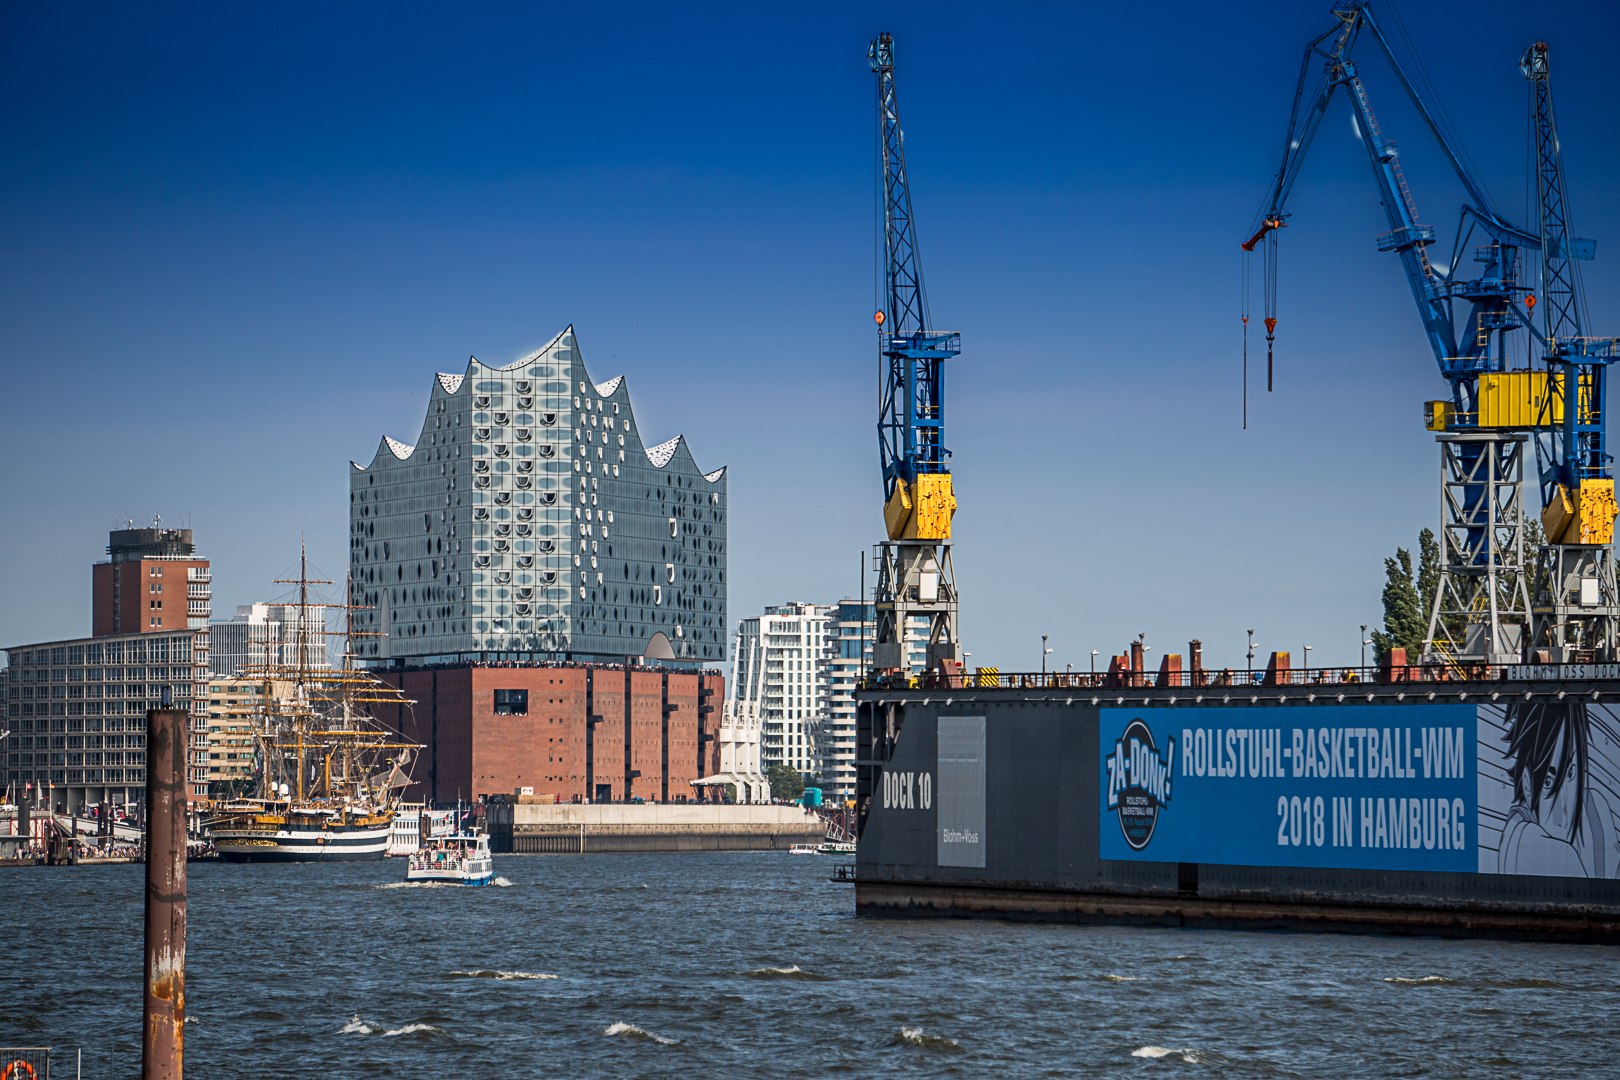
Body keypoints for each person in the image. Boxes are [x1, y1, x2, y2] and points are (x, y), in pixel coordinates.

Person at [1499, 701, 1617, 877]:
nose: (1563, 806)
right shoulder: (1521, 837)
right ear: (1526, 782)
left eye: (1570, 773)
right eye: (1547, 780)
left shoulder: (1595, 811)